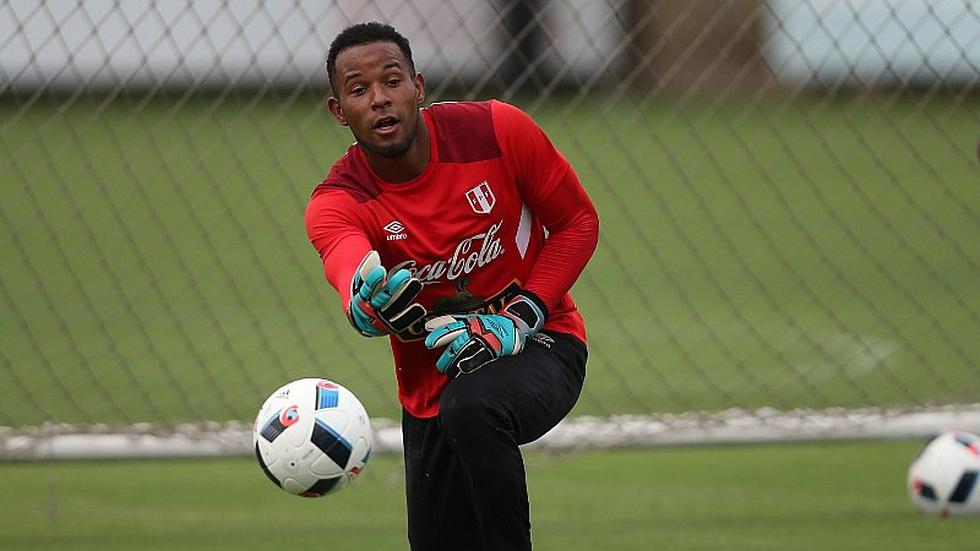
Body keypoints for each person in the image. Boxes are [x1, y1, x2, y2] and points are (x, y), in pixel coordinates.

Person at [305, 21, 599, 551]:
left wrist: (522, 315)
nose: (379, 99)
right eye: (358, 90)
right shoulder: (336, 200)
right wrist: (365, 302)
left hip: (544, 342)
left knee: (472, 406)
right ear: (338, 111)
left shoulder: (498, 130)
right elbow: (347, 266)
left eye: (392, 81)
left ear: (418, 87)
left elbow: (578, 223)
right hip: (430, 396)